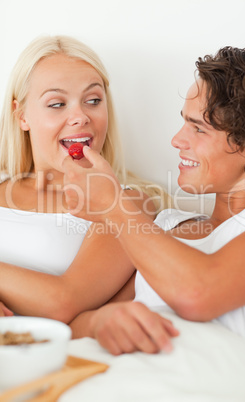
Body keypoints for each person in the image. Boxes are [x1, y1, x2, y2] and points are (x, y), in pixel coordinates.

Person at [62, 46, 245, 362]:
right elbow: (76, 325)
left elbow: (198, 294)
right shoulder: (164, 226)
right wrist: (99, 322)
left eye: (199, 128)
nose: (176, 140)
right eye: (184, 122)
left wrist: (115, 205)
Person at [0, 35, 171, 323]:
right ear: (21, 115)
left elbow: (63, 302)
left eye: (93, 100)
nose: (80, 117)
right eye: (57, 104)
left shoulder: (126, 203)